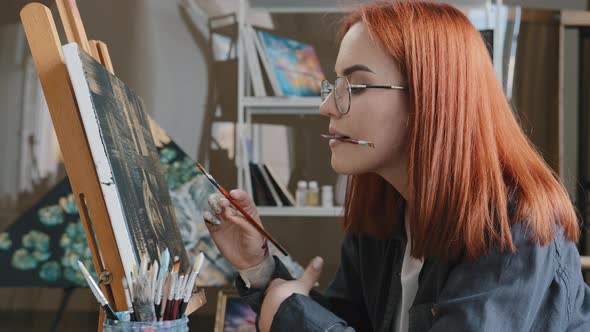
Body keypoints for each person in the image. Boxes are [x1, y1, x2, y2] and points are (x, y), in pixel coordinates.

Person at [203, 1, 590, 331]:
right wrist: (258, 267)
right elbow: (348, 321)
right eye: (334, 85)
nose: (326, 107)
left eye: (354, 85)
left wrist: (291, 315)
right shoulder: (384, 212)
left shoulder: (514, 224)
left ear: (429, 98)